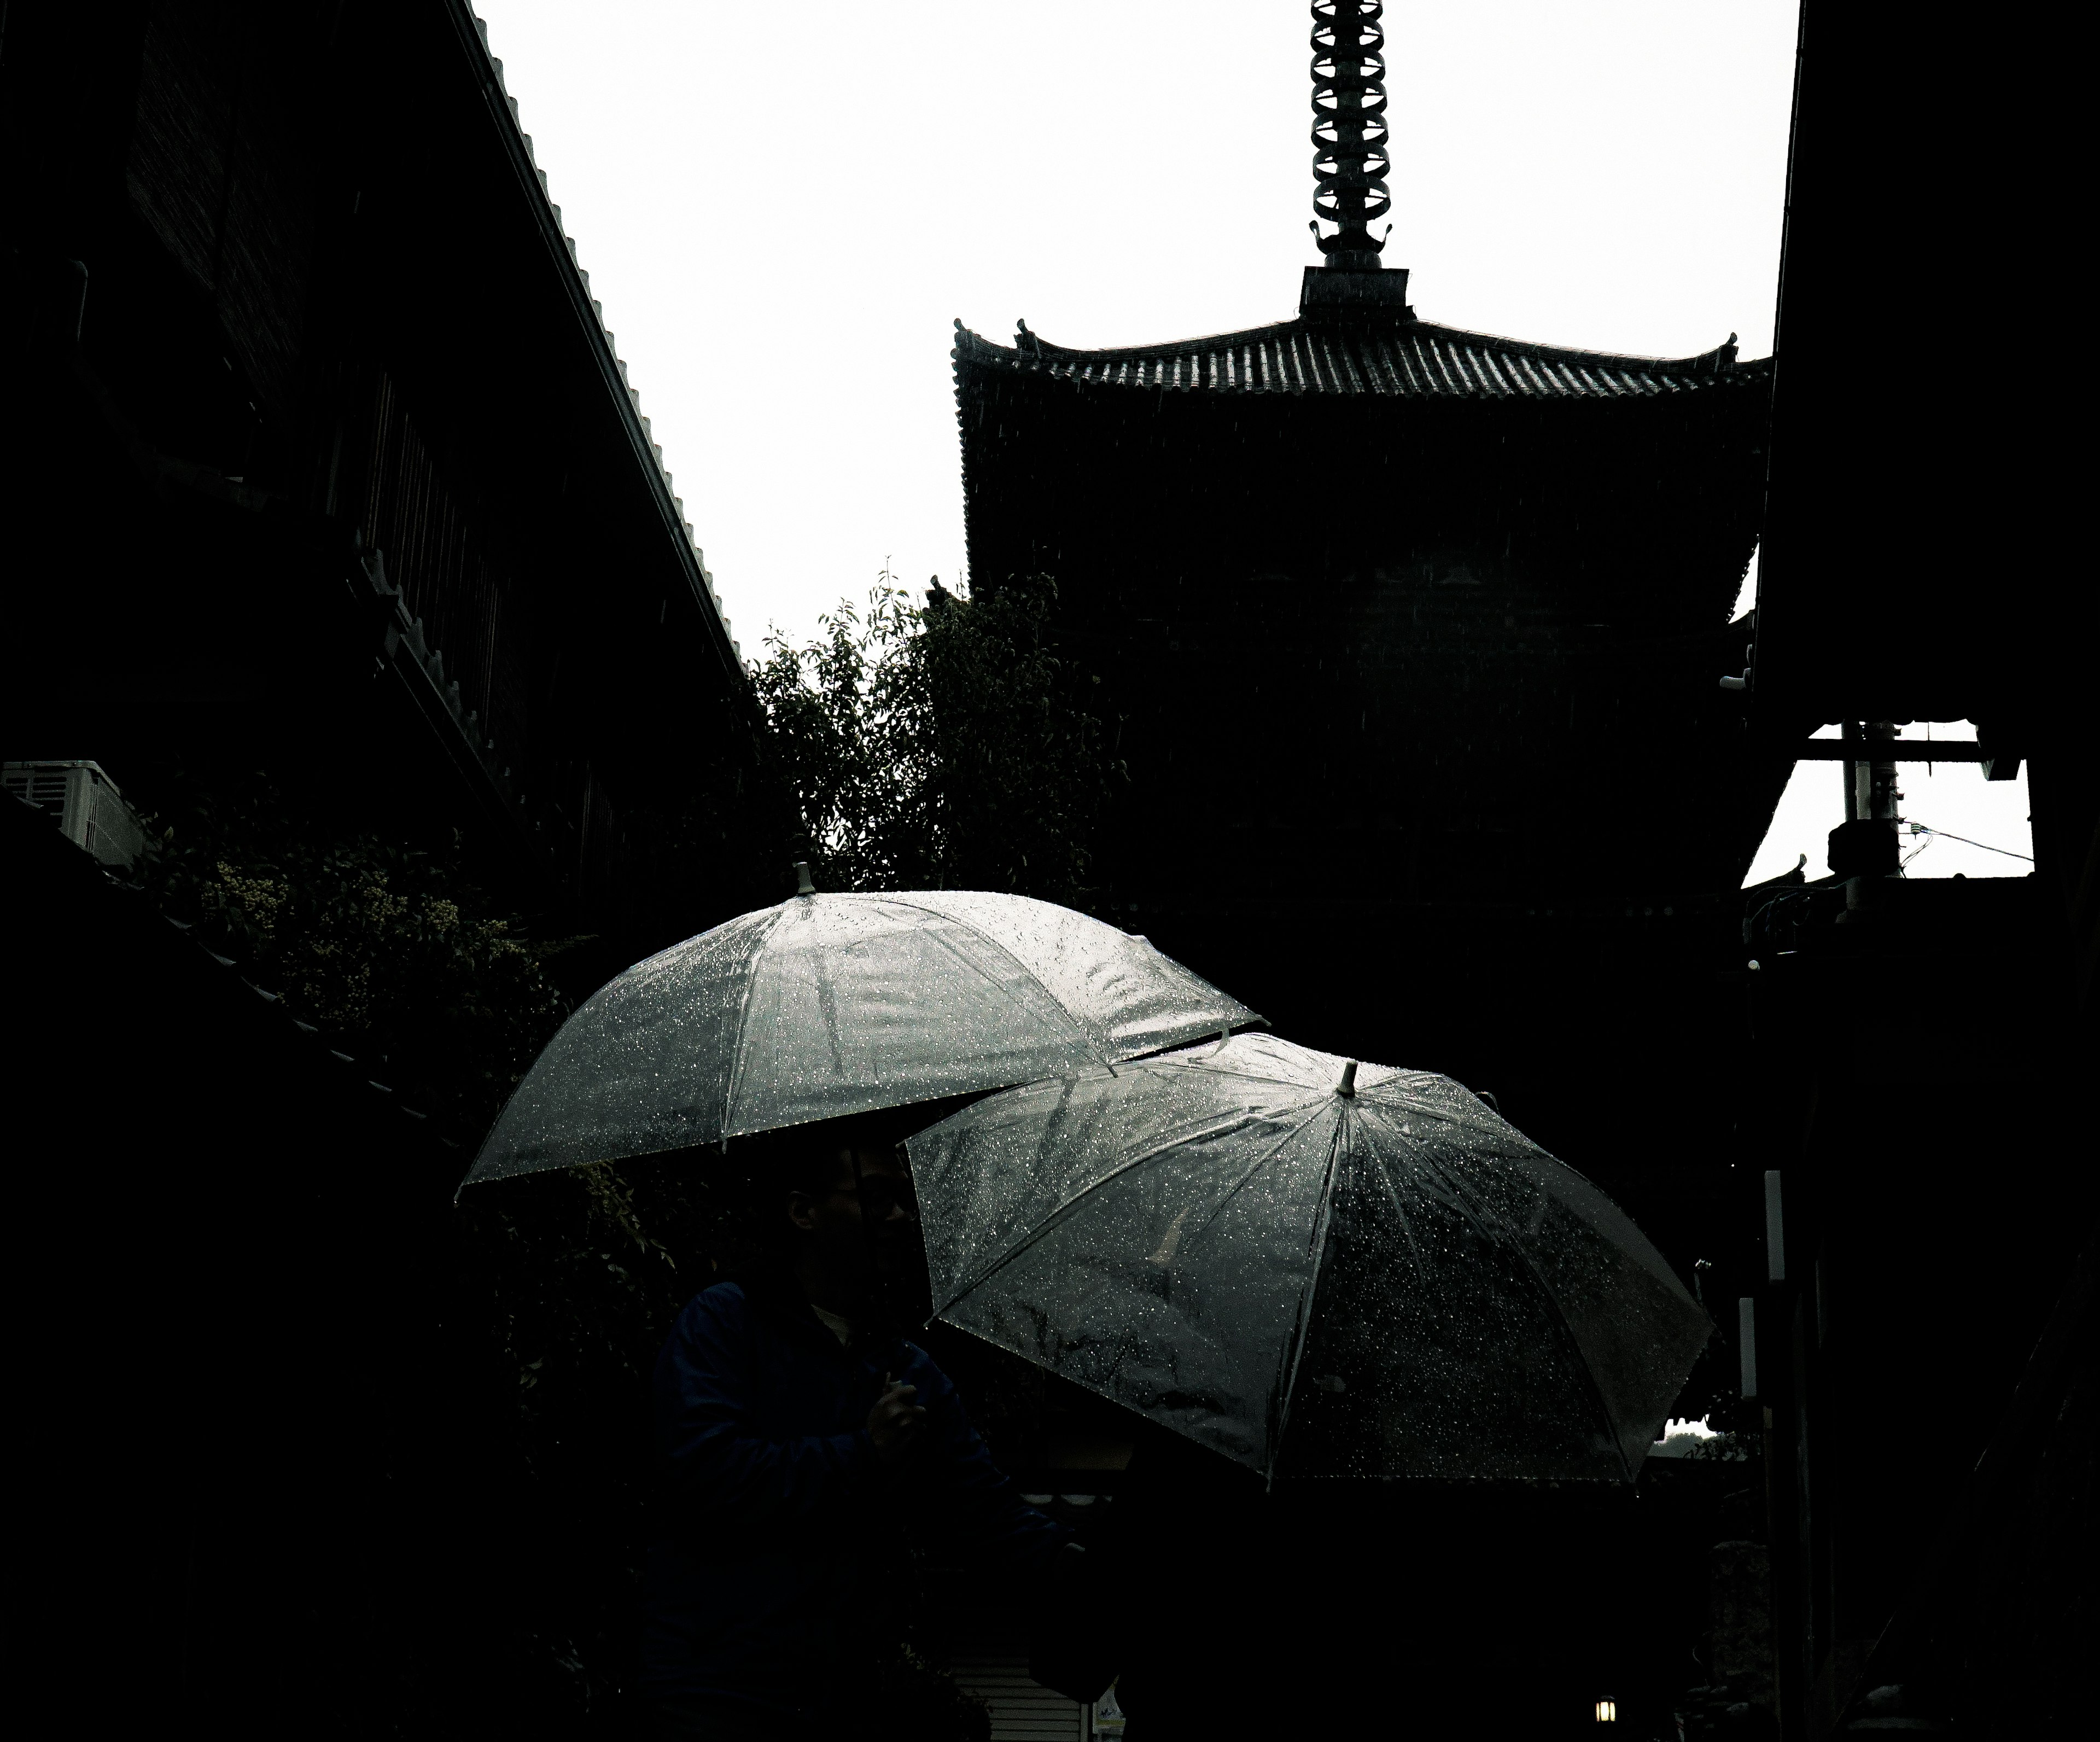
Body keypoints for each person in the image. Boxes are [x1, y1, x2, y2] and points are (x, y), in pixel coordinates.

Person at [639, 1126, 1074, 1739]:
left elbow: (986, 1511)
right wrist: (863, 1455)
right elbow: (709, 1475)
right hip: (714, 1691)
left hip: (841, 1703)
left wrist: (1079, 1564)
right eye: (875, 1197)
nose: (900, 1215)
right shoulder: (724, 1321)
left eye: (905, 1197)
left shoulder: (906, 1368)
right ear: (803, 1212)